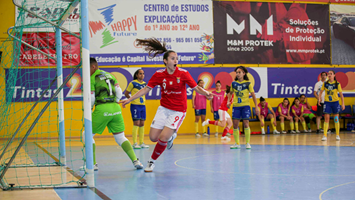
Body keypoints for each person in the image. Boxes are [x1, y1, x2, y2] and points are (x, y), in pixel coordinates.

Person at [120, 38, 213, 172]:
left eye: (177, 58)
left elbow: (195, 87)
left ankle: (151, 161)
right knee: (153, 138)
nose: (176, 61)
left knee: (163, 138)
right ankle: (172, 136)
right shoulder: (159, 74)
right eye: (173, 58)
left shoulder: (183, 73)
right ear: (165, 61)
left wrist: (205, 93)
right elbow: (146, 89)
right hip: (163, 109)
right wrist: (129, 99)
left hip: (178, 111)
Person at [88, 57, 143, 171]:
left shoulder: (92, 78)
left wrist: (89, 108)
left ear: (93, 66)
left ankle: (92, 164)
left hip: (102, 108)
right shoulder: (110, 75)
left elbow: (92, 98)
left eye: (87, 68)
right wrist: (114, 102)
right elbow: (119, 92)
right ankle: (136, 161)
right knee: (120, 137)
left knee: (86, 135)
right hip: (116, 108)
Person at [229, 66, 259, 149]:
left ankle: (247, 143)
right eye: (237, 72)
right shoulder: (233, 83)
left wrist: (256, 106)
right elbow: (230, 93)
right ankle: (237, 143)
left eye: (239, 72)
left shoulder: (248, 83)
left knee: (246, 123)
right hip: (236, 106)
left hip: (245, 106)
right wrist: (229, 101)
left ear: (244, 73)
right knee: (235, 125)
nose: (238, 74)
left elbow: (253, 95)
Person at [124, 69, 149, 149]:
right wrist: (131, 99)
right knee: (136, 123)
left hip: (143, 106)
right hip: (135, 106)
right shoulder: (133, 83)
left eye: (143, 73)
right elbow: (126, 93)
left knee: (142, 124)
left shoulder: (145, 84)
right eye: (140, 74)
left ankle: (141, 142)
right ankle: (135, 143)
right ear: (137, 75)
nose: (142, 75)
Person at [318, 70, 345, 141]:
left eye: (331, 74)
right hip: (327, 103)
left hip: (335, 103)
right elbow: (320, 92)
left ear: (334, 75)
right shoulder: (325, 83)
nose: (329, 75)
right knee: (326, 119)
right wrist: (319, 99)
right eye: (328, 74)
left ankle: (337, 135)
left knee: (336, 119)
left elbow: (341, 95)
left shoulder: (337, 83)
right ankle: (324, 135)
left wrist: (343, 103)